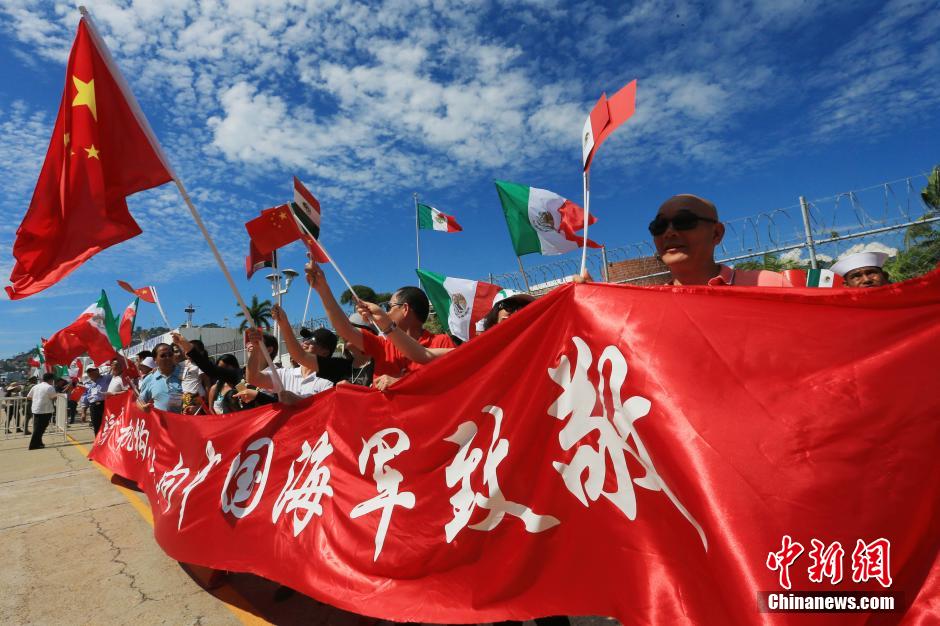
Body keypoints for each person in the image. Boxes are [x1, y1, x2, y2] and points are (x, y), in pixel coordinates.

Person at [306, 261, 454, 391]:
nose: (386, 312)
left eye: (389, 307)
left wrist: (401, 384)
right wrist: (323, 289)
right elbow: (344, 329)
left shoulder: (442, 342)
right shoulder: (383, 345)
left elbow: (446, 385)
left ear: (405, 309)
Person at [649, 194, 795, 286]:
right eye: (659, 225)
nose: (669, 232)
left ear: (716, 233)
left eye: (684, 221)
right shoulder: (649, 306)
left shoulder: (769, 286)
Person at [270, 305, 376, 387]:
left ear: (369, 334)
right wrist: (284, 324)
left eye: (351, 329)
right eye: (344, 329)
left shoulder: (380, 364)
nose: (345, 332)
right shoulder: (339, 366)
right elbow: (300, 356)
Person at [245, 328, 333, 401]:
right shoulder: (285, 374)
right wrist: (256, 347)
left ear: (324, 353)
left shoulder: (329, 382)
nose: (305, 342)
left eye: (312, 341)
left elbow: (326, 410)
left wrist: (298, 401)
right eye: (305, 339)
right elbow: (253, 378)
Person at [137, 343, 185, 413]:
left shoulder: (185, 373)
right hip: (162, 420)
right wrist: (142, 407)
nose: (168, 358)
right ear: (155, 360)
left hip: (187, 418)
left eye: (170, 355)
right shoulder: (149, 379)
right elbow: (140, 400)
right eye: (163, 356)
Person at [26, 372, 58, 450]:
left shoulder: (35, 386)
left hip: (35, 409)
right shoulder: (50, 387)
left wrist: (37, 399)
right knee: (40, 429)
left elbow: (29, 397)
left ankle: (39, 443)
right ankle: (33, 445)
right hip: (45, 410)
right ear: (51, 379)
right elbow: (53, 397)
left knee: (38, 427)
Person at [179, 339, 209, 415]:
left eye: (191, 351)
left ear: (200, 352)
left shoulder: (200, 364)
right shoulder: (181, 364)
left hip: (196, 397)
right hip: (185, 398)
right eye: (186, 350)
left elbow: (206, 381)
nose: (188, 353)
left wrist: (206, 397)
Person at [83, 366, 112, 435]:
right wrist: (83, 412)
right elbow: (85, 398)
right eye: (89, 371)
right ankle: (98, 441)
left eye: (92, 370)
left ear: (97, 370)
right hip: (93, 407)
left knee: (107, 427)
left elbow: (117, 375)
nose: (90, 373)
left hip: (104, 406)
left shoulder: (106, 378)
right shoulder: (88, 384)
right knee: (97, 428)